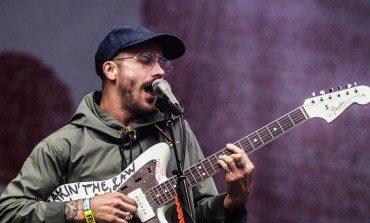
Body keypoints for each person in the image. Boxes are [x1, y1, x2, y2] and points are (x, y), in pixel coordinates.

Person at [0, 26, 254, 223]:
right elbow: (9, 211)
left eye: (162, 62)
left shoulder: (175, 132)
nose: (160, 71)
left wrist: (233, 202)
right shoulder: (63, 145)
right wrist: (85, 210)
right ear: (110, 70)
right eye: (146, 59)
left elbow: (196, 213)